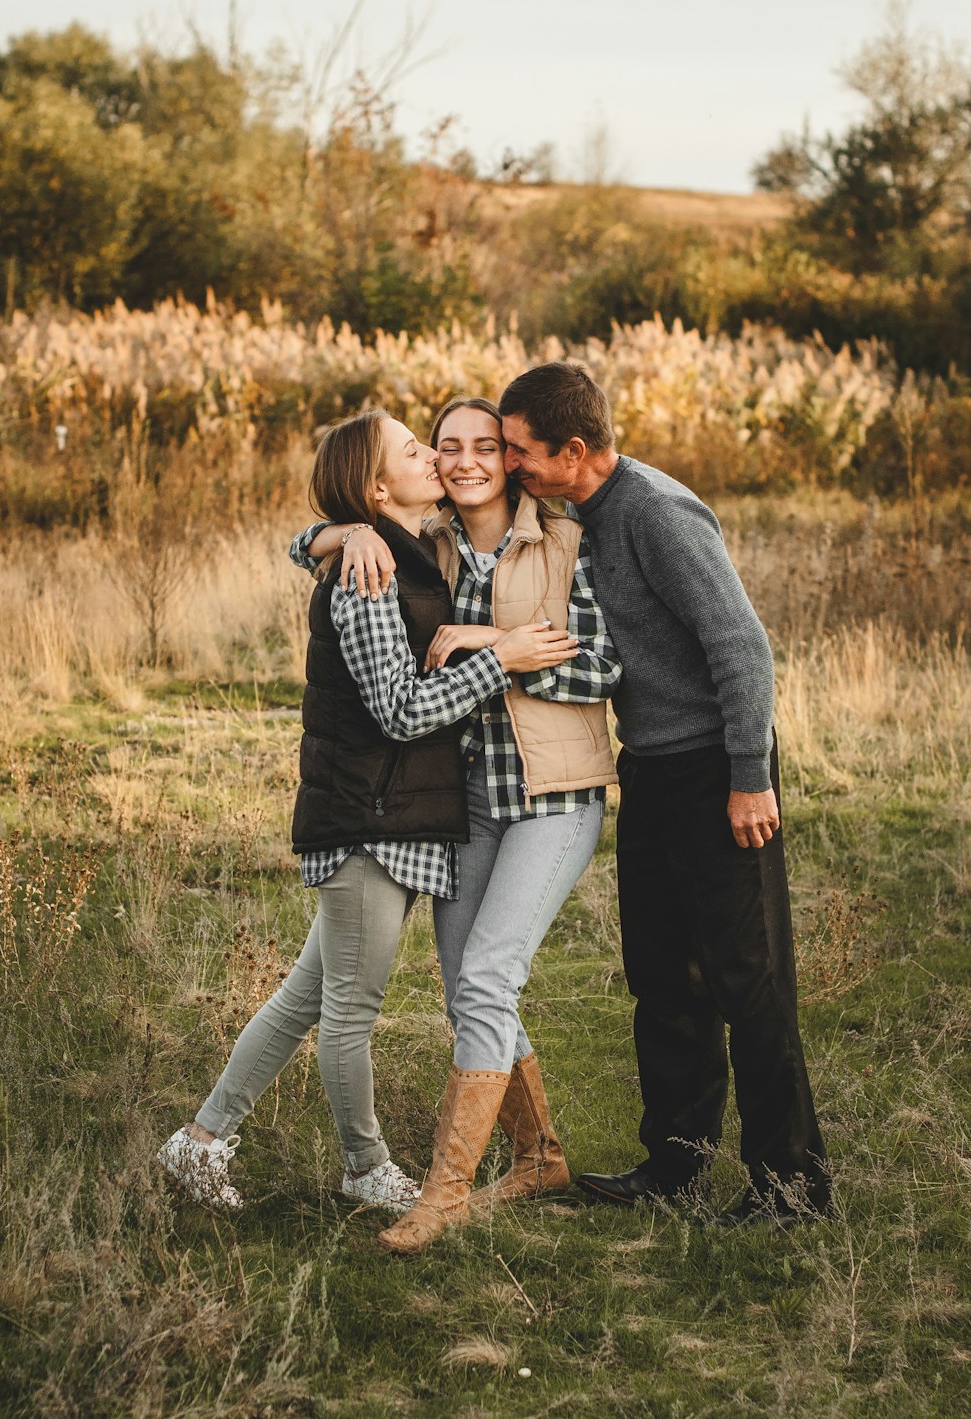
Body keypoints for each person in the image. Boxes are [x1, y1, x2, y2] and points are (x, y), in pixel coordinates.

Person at [156, 408, 579, 1214]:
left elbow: (314, 533)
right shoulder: (368, 574)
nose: (435, 456)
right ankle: (365, 1165)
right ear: (378, 485)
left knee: (305, 998)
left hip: (388, 815)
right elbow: (400, 709)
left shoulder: (405, 548)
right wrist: (505, 656)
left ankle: (201, 1143)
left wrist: (334, 530)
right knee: (351, 1011)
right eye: (415, 450)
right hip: (368, 821)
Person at [496, 361, 831, 1229]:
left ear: (574, 449)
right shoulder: (576, 514)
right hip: (648, 767)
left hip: (717, 772)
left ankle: (790, 1188)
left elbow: (742, 647)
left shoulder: (654, 509)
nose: (508, 465)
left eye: (519, 450)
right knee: (661, 976)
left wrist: (749, 778)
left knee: (747, 980)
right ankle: (675, 1165)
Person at [291, 396, 621, 1253]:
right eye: (447, 446)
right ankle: (539, 1154)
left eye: (485, 446)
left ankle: (442, 1194)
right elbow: (304, 541)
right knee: (462, 984)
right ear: (430, 460)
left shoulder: (566, 538)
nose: (465, 460)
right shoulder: (423, 542)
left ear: (511, 459)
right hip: (466, 799)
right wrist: (337, 533)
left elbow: (603, 662)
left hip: (553, 792)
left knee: (484, 979)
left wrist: (491, 638)